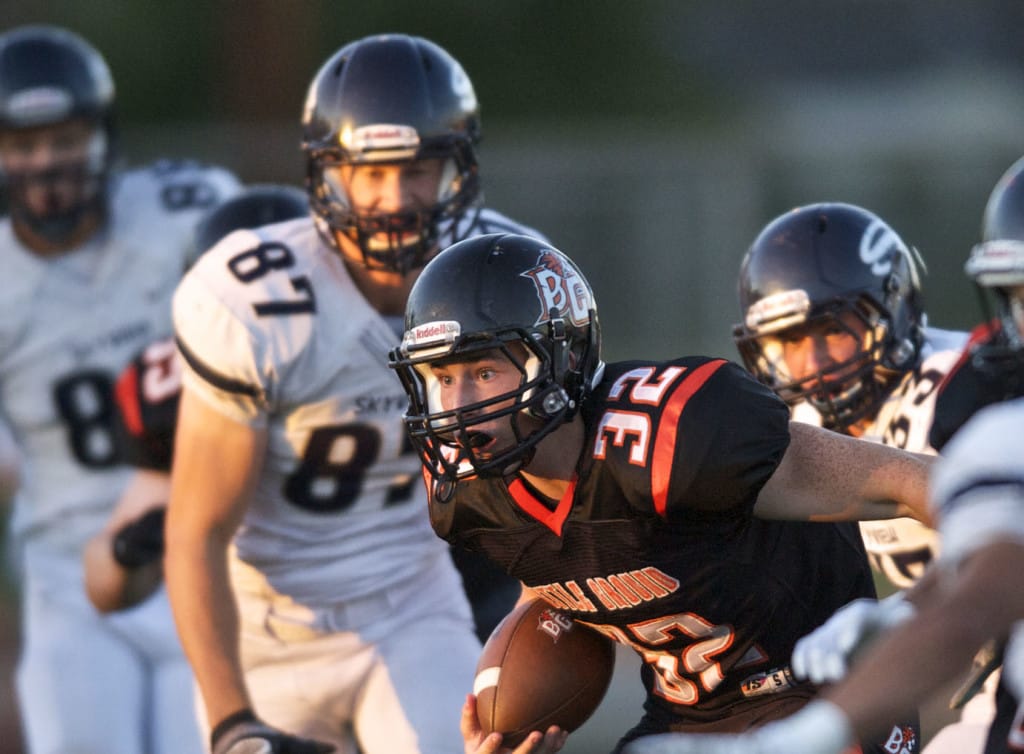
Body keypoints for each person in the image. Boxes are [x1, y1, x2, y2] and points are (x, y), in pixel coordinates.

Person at [386, 232, 936, 754]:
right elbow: (551, 572)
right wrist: (516, 714)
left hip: (825, 697)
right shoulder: (468, 495)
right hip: (687, 719)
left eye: (483, 373)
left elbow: (910, 482)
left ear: (562, 359)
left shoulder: (675, 440)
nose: (458, 406)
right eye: (441, 377)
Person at [165, 34, 547, 754]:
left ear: (458, 168)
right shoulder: (257, 298)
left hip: (412, 609)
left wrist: (533, 655)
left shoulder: (502, 278)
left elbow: (556, 488)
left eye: (418, 168)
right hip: (264, 633)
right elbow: (196, 533)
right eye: (368, 173)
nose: (393, 198)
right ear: (325, 174)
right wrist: (230, 721)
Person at [0, 25, 241, 754]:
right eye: (24, 144)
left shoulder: (184, 210)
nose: (48, 164)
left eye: (66, 138)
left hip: (201, 560)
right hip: (69, 578)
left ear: (103, 135)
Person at [82, 183, 310, 614]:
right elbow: (104, 587)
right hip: (258, 613)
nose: (268, 317)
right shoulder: (170, 391)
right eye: (245, 300)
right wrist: (130, 550)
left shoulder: (378, 355)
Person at [732, 202, 966, 591]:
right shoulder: (799, 419)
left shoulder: (959, 387)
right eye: (790, 340)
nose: (812, 363)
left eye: (832, 331)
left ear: (891, 312)